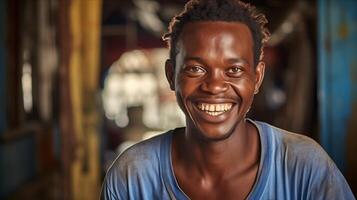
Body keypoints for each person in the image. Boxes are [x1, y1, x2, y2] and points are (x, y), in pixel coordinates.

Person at [101, 0, 355, 199]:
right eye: (196, 69)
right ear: (171, 75)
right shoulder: (133, 174)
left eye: (234, 70)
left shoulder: (304, 166)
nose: (214, 86)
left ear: (257, 78)